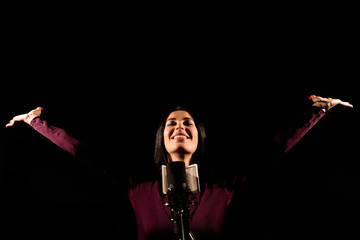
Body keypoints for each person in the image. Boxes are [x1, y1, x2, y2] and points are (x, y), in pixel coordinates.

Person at [5, 95, 353, 240]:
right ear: (162, 138)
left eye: (187, 124)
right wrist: (37, 123)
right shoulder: (139, 188)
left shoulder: (221, 189)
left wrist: (318, 110)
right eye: (171, 124)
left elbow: (275, 149)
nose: (179, 128)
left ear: (198, 138)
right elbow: (82, 152)